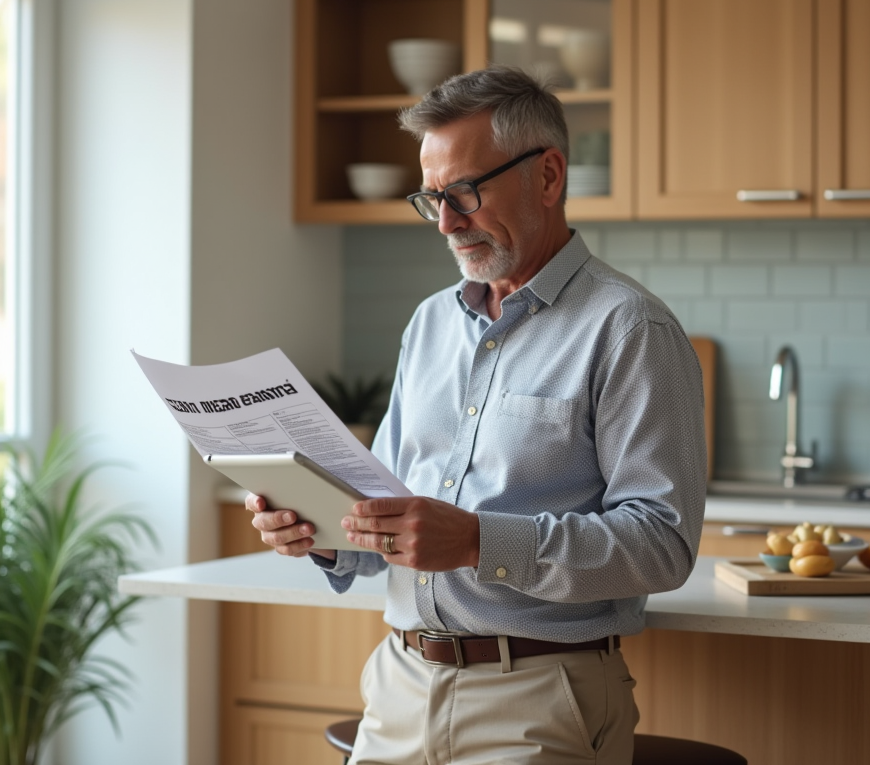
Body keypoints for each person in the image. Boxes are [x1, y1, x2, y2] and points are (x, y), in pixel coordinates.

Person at [246, 65, 707, 765]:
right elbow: (394, 508)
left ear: (547, 176)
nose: (447, 223)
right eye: (432, 200)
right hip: (398, 685)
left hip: (541, 697)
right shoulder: (430, 323)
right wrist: (324, 532)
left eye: (463, 192)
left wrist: (478, 542)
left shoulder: (629, 328)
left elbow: (661, 545)